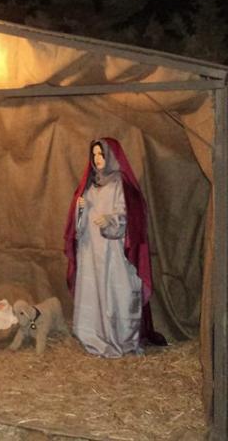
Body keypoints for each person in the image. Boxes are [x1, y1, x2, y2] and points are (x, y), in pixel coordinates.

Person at [63, 138, 166, 357]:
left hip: (115, 253)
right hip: (91, 252)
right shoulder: (89, 186)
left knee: (117, 294)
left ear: (112, 156)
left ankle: (120, 339)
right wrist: (80, 210)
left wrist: (110, 221)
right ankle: (94, 336)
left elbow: (131, 218)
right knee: (94, 294)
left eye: (101, 154)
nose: (97, 159)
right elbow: (77, 227)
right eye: (94, 155)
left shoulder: (121, 185)